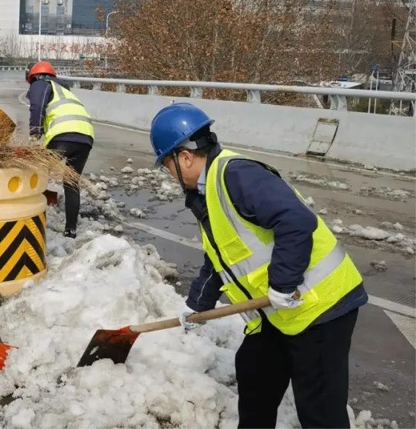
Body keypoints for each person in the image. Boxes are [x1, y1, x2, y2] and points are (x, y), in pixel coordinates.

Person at [149, 102, 367, 429]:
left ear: (184, 157)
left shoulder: (236, 175)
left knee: (320, 411)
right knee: (255, 375)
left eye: (166, 165)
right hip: (280, 311)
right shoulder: (208, 192)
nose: (169, 175)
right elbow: (222, 256)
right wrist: (197, 305)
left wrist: (282, 284)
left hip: (322, 307)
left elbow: (296, 221)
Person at [26, 61, 95, 238]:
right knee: (71, 183)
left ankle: (29, 219)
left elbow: (37, 107)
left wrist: (34, 134)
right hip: (85, 138)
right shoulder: (64, 89)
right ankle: (70, 230)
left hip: (62, 136)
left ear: (34, 76)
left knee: (38, 174)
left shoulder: (40, 83)